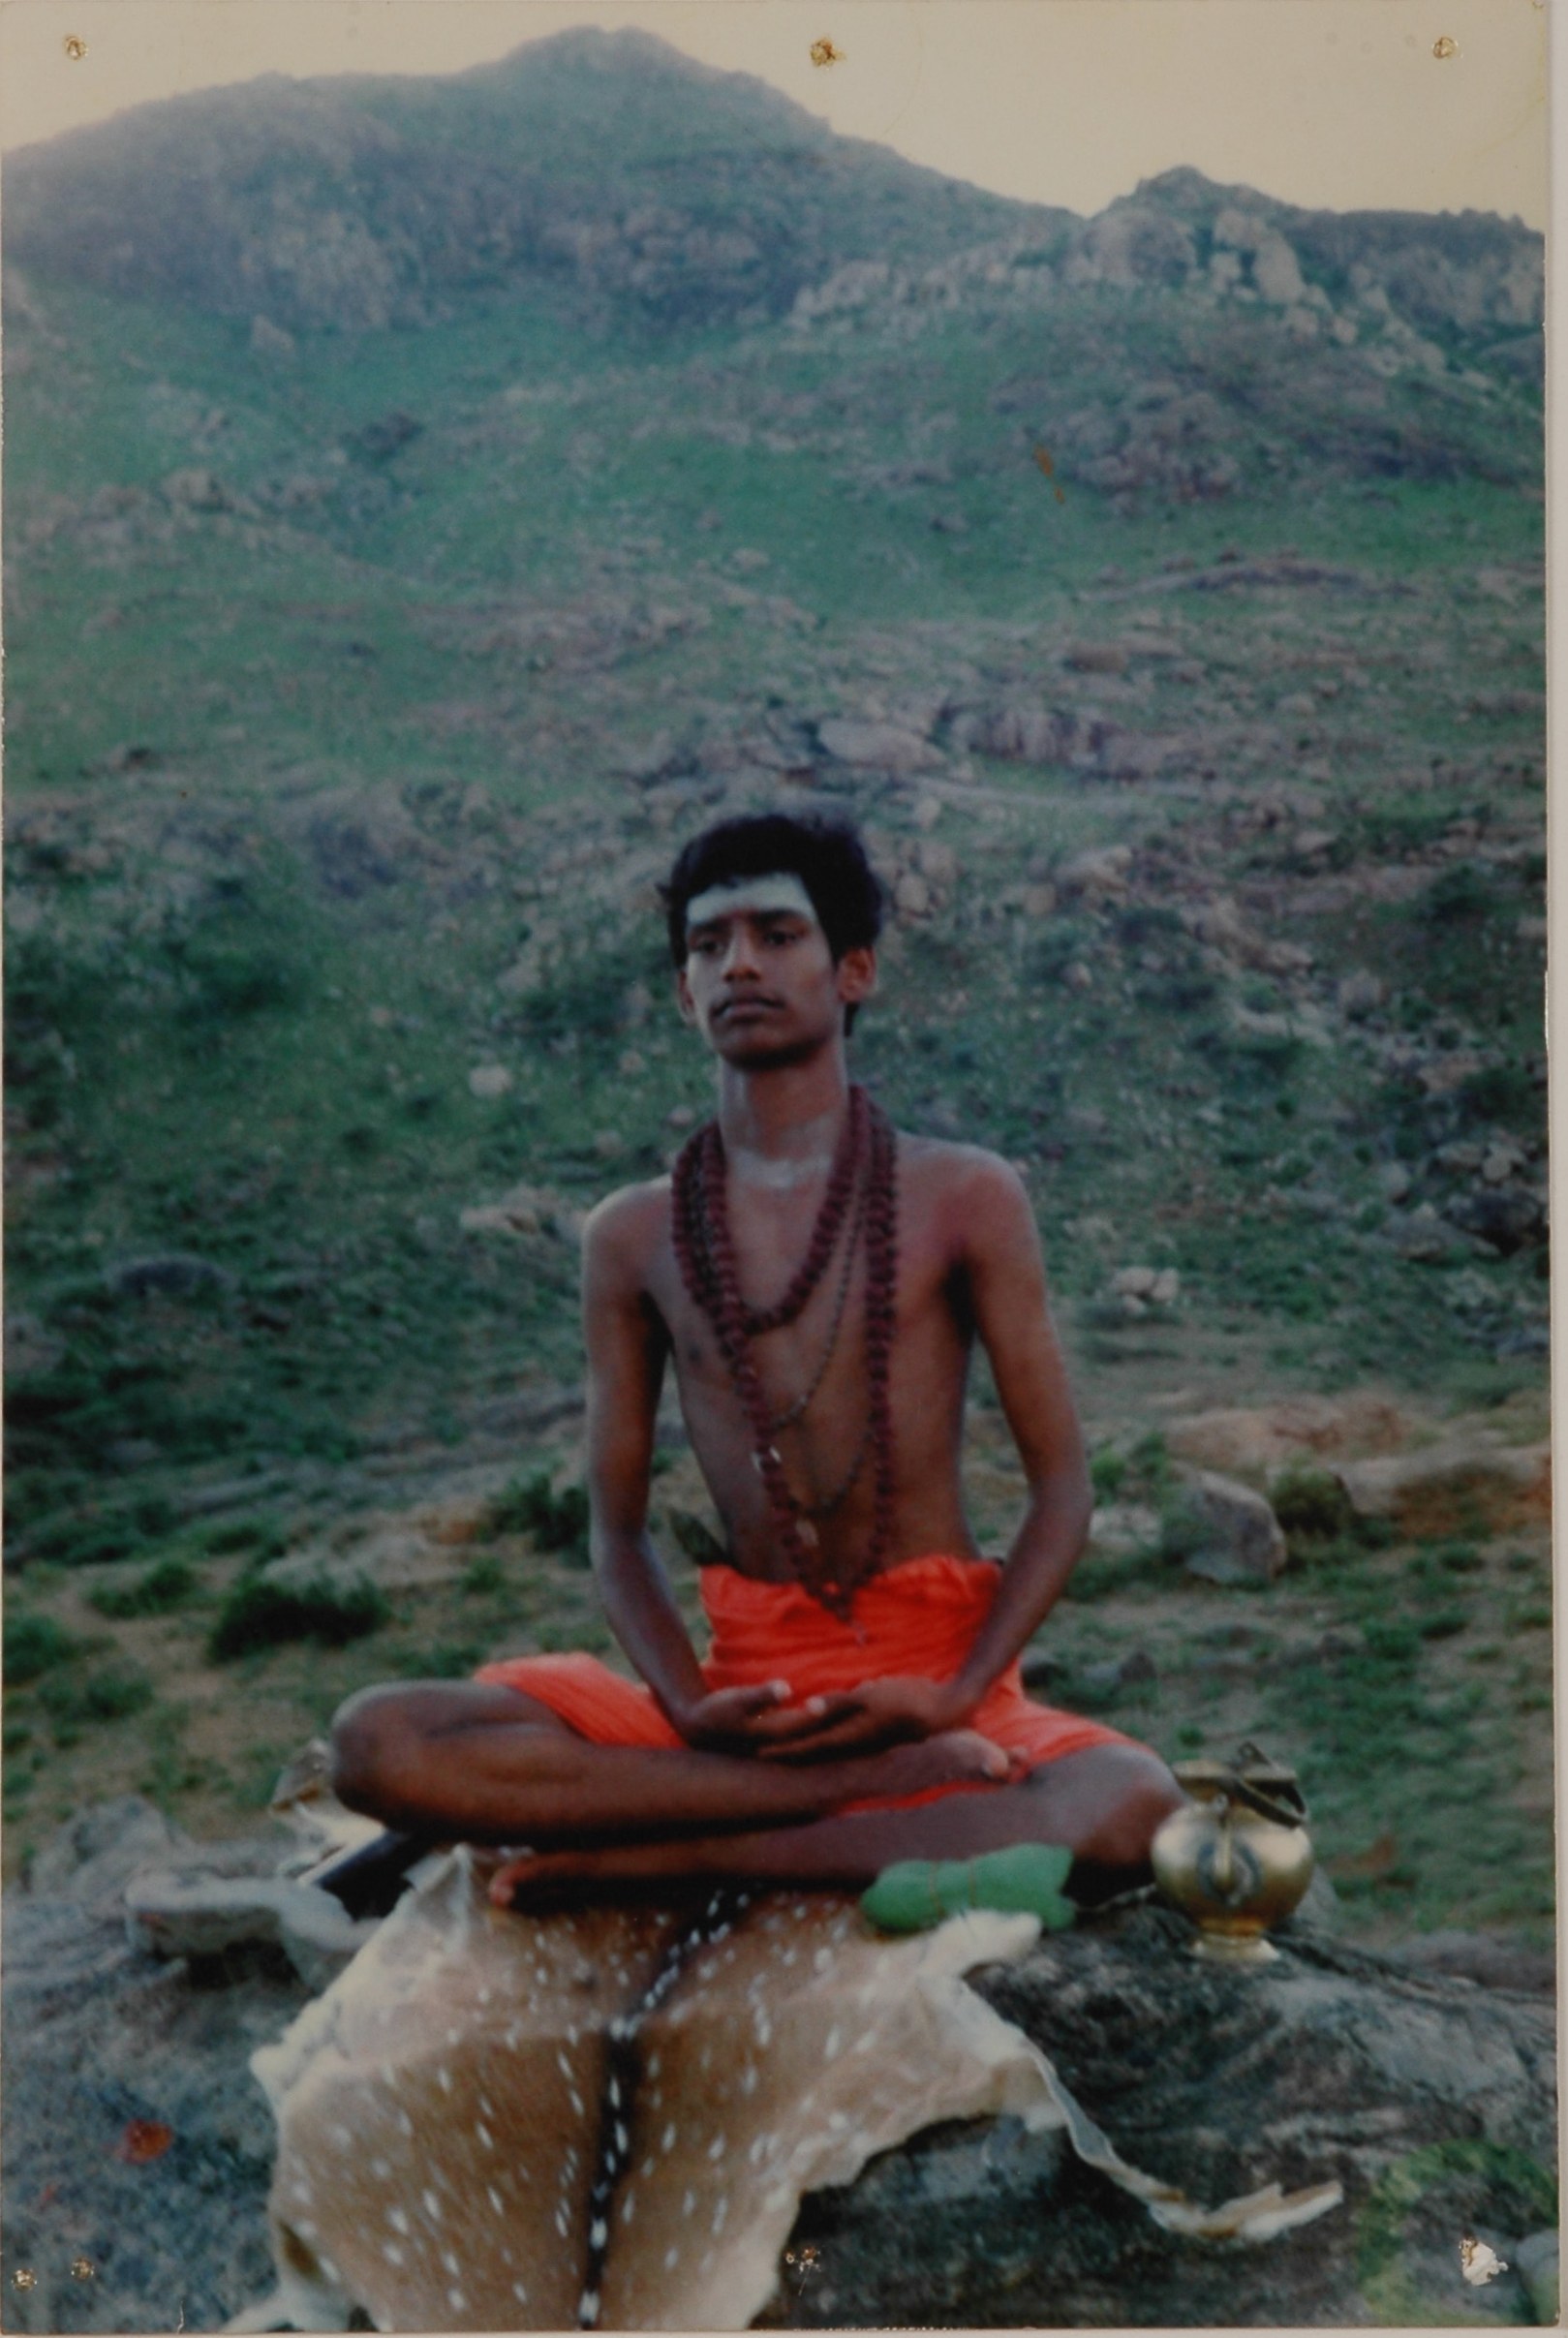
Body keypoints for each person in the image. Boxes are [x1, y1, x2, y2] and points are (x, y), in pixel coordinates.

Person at [330, 812, 1182, 1909]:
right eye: (705, 944)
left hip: (934, 1695)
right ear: (684, 993)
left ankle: (674, 1852)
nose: (737, 962)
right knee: (379, 1741)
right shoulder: (631, 1235)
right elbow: (617, 1524)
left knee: (1134, 1801)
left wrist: (954, 1691)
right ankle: (837, 1801)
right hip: (747, 1704)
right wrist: (685, 1706)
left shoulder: (965, 1194)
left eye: (777, 934)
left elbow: (1063, 1488)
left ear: (853, 970)